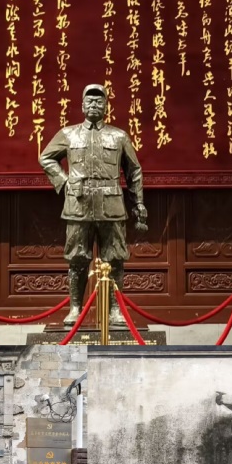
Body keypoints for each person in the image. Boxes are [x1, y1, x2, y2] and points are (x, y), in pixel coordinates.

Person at [39, 83, 148, 326]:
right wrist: (64, 182)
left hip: (111, 206)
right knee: (77, 258)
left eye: (99, 101)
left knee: (115, 259)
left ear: (107, 106)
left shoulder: (119, 136)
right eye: (89, 101)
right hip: (78, 206)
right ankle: (75, 308)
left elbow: (134, 171)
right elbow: (46, 158)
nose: (94, 105)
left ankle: (115, 310)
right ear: (82, 105)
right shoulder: (68, 134)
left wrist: (138, 202)